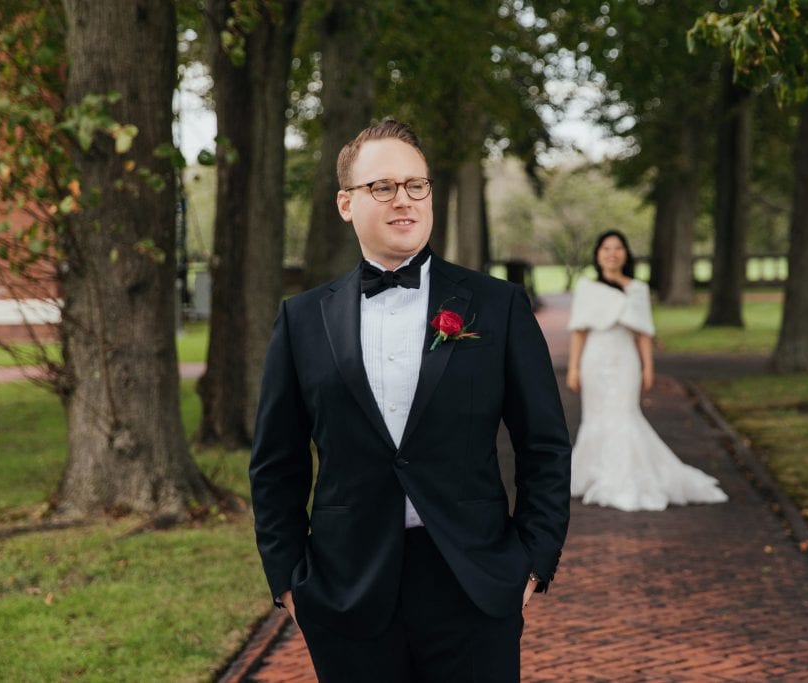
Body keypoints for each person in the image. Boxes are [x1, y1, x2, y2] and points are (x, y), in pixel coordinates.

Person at [249, 118, 571, 682]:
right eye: (383, 187)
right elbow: (277, 465)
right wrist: (288, 582)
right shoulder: (300, 321)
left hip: (475, 582)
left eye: (415, 185)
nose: (404, 200)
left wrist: (532, 564)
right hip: (345, 588)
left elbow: (543, 445)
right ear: (346, 203)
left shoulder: (497, 307)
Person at [566, 230, 727, 512]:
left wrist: (647, 367)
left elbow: (643, 334)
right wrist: (574, 367)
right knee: (596, 416)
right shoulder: (587, 288)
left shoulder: (637, 289)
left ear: (625, 254)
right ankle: (593, 473)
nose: (612, 253)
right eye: (606, 248)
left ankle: (625, 478)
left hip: (625, 359)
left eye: (618, 248)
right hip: (595, 358)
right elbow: (579, 331)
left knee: (624, 414)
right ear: (598, 254)